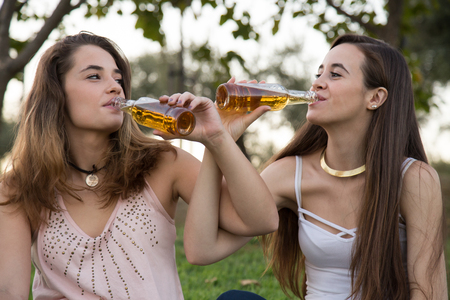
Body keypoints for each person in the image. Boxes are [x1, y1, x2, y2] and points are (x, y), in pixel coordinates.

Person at [0, 32, 279, 300]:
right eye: (94, 76)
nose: (115, 86)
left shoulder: (162, 163)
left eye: (118, 78)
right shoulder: (20, 187)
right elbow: (9, 291)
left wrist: (217, 138)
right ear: (56, 94)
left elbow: (261, 220)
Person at [183, 34, 448, 299]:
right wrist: (216, 138)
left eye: (335, 75)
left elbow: (428, 292)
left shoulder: (414, 179)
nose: (317, 83)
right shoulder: (290, 174)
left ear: (375, 97)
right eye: (319, 73)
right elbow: (202, 250)